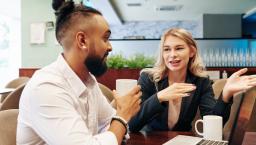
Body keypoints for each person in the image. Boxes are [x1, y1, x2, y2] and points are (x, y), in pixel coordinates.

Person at [16, 1, 141, 145]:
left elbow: (111, 124)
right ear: (82, 41)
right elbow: (116, 127)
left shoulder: (88, 80)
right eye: (105, 38)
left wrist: (117, 124)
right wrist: (123, 115)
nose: (110, 46)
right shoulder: (46, 88)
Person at [128, 28, 256, 132]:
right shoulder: (148, 78)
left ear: (192, 51)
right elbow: (132, 125)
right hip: (150, 140)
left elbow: (213, 125)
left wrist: (226, 94)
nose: (172, 54)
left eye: (179, 48)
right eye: (167, 49)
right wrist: (159, 97)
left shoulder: (201, 81)